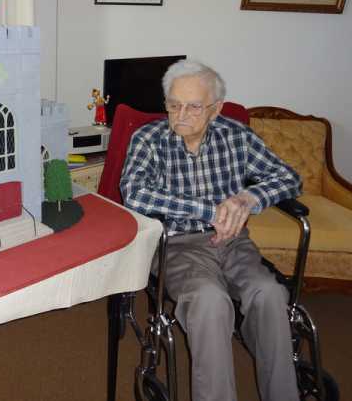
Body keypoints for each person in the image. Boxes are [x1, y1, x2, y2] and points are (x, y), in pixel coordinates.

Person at [120, 59, 301, 401]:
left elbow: (290, 177)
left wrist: (248, 198)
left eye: (193, 106)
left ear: (216, 109)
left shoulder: (237, 137)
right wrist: (210, 211)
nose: (181, 115)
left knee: (269, 294)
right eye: (174, 105)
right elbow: (135, 193)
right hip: (178, 245)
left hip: (234, 243)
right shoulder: (148, 139)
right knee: (210, 301)